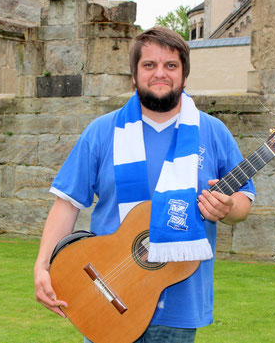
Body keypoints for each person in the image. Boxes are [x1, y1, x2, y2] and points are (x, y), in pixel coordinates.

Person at [34, 26, 256, 343]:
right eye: (149, 65)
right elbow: (67, 204)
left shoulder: (213, 132)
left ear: (184, 74)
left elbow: (243, 203)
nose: (160, 74)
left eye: (171, 65)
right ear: (134, 76)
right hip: (105, 295)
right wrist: (42, 266)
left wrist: (229, 207)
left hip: (179, 303)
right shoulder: (101, 132)